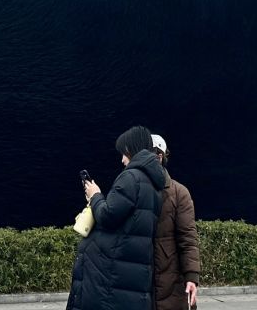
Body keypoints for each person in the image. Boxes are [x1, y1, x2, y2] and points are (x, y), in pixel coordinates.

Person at [67, 125, 167, 310]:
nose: (122, 160)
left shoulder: (131, 177)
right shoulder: (153, 183)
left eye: (124, 153)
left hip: (111, 272)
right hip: (129, 271)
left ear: (132, 149)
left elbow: (107, 215)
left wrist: (95, 195)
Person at [150, 134, 200, 310]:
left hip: (171, 283)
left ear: (160, 157)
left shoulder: (179, 193)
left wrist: (192, 276)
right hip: (142, 282)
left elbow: (188, 238)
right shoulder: (134, 190)